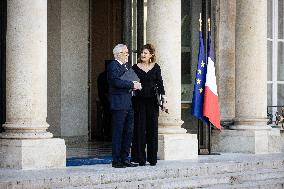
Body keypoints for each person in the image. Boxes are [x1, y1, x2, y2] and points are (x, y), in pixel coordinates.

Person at [131, 44, 166, 166]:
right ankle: (140, 158)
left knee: (152, 129)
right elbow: (130, 82)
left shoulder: (156, 67)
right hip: (139, 101)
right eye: (142, 53)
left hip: (152, 102)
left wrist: (163, 99)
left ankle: (152, 158)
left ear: (151, 55)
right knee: (140, 129)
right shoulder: (135, 67)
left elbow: (160, 84)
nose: (143, 55)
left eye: (145, 53)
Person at [107, 44, 141, 168]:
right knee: (118, 132)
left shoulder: (126, 66)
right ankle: (116, 160)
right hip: (119, 104)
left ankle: (125, 158)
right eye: (125, 52)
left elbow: (131, 80)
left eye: (127, 52)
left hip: (128, 103)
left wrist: (136, 84)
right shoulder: (113, 65)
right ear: (118, 54)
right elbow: (115, 82)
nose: (127, 54)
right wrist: (132, 84)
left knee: (128, 132)